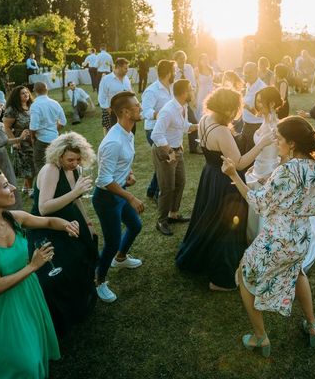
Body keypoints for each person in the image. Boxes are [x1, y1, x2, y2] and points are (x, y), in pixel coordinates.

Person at [221, 116, 315, 355]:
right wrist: (272, 182)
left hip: (278, 238)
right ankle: (313, 326)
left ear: (292, 143)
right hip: (302, 238)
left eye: (280, 139)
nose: (277, 143)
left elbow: (258, 203)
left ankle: (260, 337)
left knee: (244, 275)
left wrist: (233, 174)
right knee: (297, 271)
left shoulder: (286, 170)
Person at [0, 167, 80, 378]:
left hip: (27, 295)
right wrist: (33, 266)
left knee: (33, 348)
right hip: (1, 307)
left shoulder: (13, 218)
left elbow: (48, 221)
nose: (13, 187)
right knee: (23, 365)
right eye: (5, 186)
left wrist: (66, 224)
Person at [176, 88, 275, 291]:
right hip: (224, 180)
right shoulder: (221, 131)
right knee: (228, 225)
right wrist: (262, 144)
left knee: (209, 217)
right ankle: (221, 279)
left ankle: (202, 257)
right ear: (229, 109)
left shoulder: (205, 120)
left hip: (210, 175)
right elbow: (238, 163)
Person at [30, 132, 98, 335]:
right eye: (70, 159)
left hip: (72, 221)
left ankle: (78, 306)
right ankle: (58, 317)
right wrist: (76, 192)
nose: (74, 163)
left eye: (78, 159)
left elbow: (76, 200)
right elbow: (44, 208)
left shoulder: (75, 169)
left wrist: (86, 220)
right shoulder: (51, 170)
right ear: (59, 156)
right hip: (47, 227)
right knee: (59, 271)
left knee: (81, 259)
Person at [92, 91, 144, 303]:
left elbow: (119, 167)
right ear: (125, 112)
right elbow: (104, 180)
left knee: (136, 225)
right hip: (106, 199)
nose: (140, 107)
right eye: (137, 105)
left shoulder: (128, 132)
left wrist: (127, 176)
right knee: (111, 242)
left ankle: (120, 258)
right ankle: (99, 280)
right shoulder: (113, 141)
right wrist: (130, 197)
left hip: (118, 192)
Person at [151, 79, 197, 235]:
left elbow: (184, 126)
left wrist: (201, 125)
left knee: (180, 182)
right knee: (167, 187)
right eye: (191, 89)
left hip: (177, 151)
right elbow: (156, 134)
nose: (193, 91)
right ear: (184, 93)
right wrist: (170, 151)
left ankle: (173, 213)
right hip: (165, 152)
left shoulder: (182, 106)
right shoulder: (168, 110)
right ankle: (161, 221)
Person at [245, 87, 283, 242]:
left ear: (272, 103)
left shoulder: (277, 127)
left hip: (269, 174)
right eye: (257, 101)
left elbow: (285, 156)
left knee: (265, 211)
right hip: (257, 171)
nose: (258, 104)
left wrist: (270, 175)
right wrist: (255, 165)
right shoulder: (263, 121)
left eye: (261, 101)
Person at [141, 59, 175, 201]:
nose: (175, 74)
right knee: (164, 161)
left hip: (167, 130)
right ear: (168, 73)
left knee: (162, 162)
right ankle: (156, 194)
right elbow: (145, 111)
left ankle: (151, 190)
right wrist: (159, 114)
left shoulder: (172, 87)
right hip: (153, 130)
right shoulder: (151, 90)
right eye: (174, 71)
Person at [4, 86, 36, 195]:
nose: (26, 94)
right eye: (23, 93)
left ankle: (25, 186)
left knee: (34, 163)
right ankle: (31, 189)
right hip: (22, 141)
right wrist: (15, 141)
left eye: (27, 92)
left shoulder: (32, 105)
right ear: (17, 96)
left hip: (35, 139)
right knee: (28, 165)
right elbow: (7, 127)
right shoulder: (12, 110)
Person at [29, 81, 67, 173]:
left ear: (34, 91)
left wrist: (32, 138)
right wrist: (55, 129)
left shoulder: (35, 105)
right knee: (57, 165)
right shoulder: (55, 103)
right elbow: (63, 121)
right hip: (55, 138)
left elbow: (33, 126)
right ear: (47, 89)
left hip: (41, 139)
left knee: (41, 166)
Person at [173, 50, 199, 153]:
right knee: (176, 123)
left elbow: (193, 83)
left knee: (193, 121)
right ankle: (173, 145)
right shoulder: (173, 70)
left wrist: (192, 96)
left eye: (184, 59)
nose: (183, 61)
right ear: (176, 60)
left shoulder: (189, 68)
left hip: (188, 99)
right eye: (180, 59)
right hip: (176, 101)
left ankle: (193, 148)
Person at [98, 57, 132, 133]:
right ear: (118, 67)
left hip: (125, 112)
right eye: (125, 68)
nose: (127, 70)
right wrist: (108, 109)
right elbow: (101, 97)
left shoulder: (126, 79)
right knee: (112, 134)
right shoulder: (106, 79)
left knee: (126, 133)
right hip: (111, 112)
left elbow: (130, 93)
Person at [241, 62, 267, 151]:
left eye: (250, 72)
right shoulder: (248, 85)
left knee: (250, 156)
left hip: (256, 127)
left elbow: (263, 113)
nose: (247, 75)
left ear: (256, 71)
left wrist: (246, 107)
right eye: (245, 72)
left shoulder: (262, 88)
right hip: (246, 125)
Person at [195, 53, 215, 120]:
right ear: (200, 61)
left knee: (210, 109)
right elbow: (195, 85)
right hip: (201, 93)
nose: (205, 61)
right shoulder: (197, 70)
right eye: (203, 59)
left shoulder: (211, 69)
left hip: (210, 93)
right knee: (201, 110)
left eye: (206, 59)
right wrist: (194, 97)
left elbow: (212, 83)